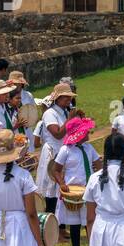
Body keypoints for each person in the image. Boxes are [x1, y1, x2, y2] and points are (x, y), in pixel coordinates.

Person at [52, 116, 101, 246]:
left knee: (91, 221)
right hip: (73, 192)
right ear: (78, 134)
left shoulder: (89, 147)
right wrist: (61, 183)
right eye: (86, 132)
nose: (88, 134)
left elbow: (98, 165)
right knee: (74, 224)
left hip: (89, 190)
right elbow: (55, 170)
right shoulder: (65, 150)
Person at [36, 82, 75, 215]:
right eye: (66, 97)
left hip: (63, 151)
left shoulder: (65, 112)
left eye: (70, 97)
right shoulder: (50, 113)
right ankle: (49, 223)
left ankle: (60, 224)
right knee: (50, 188)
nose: (69, 100)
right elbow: (57, 134)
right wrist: (69, 120)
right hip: (52, 152)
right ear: (57, 98)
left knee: (61, 187)